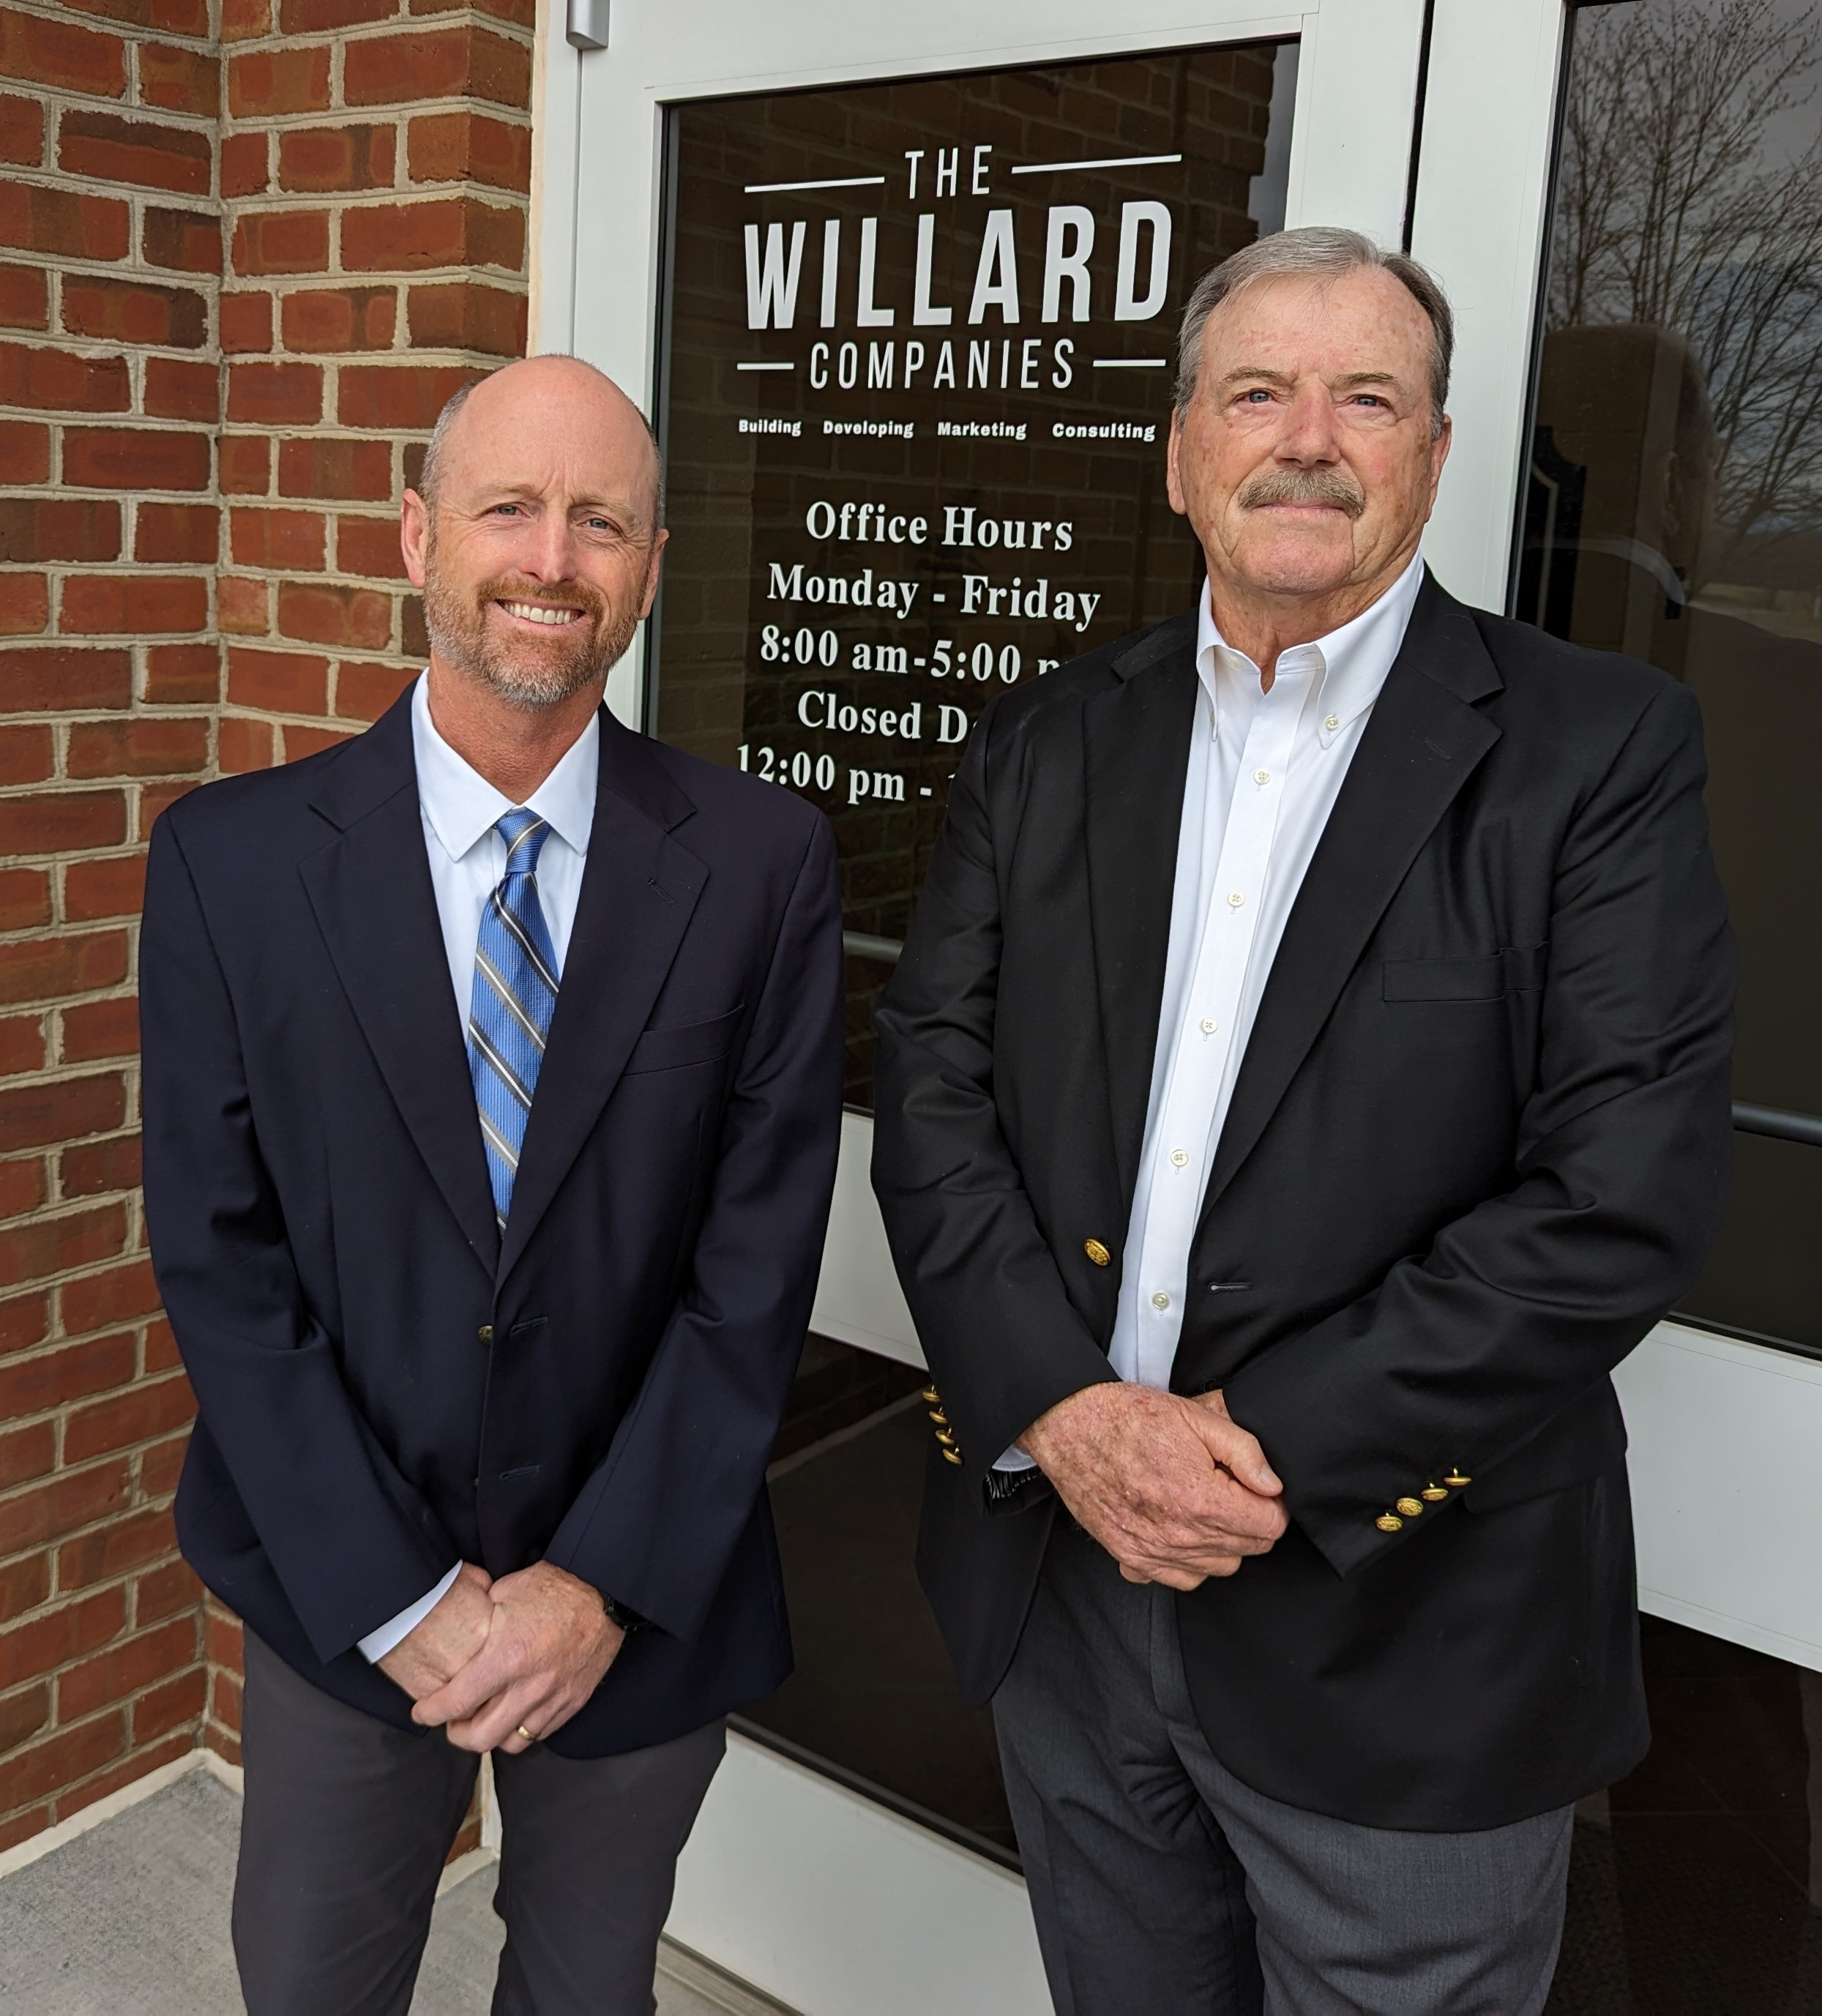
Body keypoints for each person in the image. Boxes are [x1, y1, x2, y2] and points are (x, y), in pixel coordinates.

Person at [871, 228, 1736, 2015]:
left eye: (1370, 398)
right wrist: (1068, 1411)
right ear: (1183, 447)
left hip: (1404, 1628)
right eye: (1258, 391)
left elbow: (1618, 1195)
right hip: (1070, 1586)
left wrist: (1242, 1454)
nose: (1310, 437)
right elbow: (933, 1095)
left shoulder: (1599, 751)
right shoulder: (1046, 740)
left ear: (1432, 452)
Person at [140, 354, 844, 2016]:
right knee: (313, 1981)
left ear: (651, 568)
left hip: (641, 1588)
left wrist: (595, 1583)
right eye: (509, 508)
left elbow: (756, 1266)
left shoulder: (756, 864)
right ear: (414, 537)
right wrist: (398, 1595)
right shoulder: (231, 863)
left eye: (602, 520)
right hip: (343, 1588)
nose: (553, 558)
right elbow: (221, 1260)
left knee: (589, 1990)